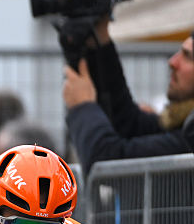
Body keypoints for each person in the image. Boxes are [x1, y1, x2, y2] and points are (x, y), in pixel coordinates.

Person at [63, 19, 194, 174]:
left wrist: (83, 108)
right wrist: (100, 41)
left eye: (187, 56)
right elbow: (128, 123)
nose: (172, 62)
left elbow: (108, 164)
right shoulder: (183, 123)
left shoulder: (189, 137)